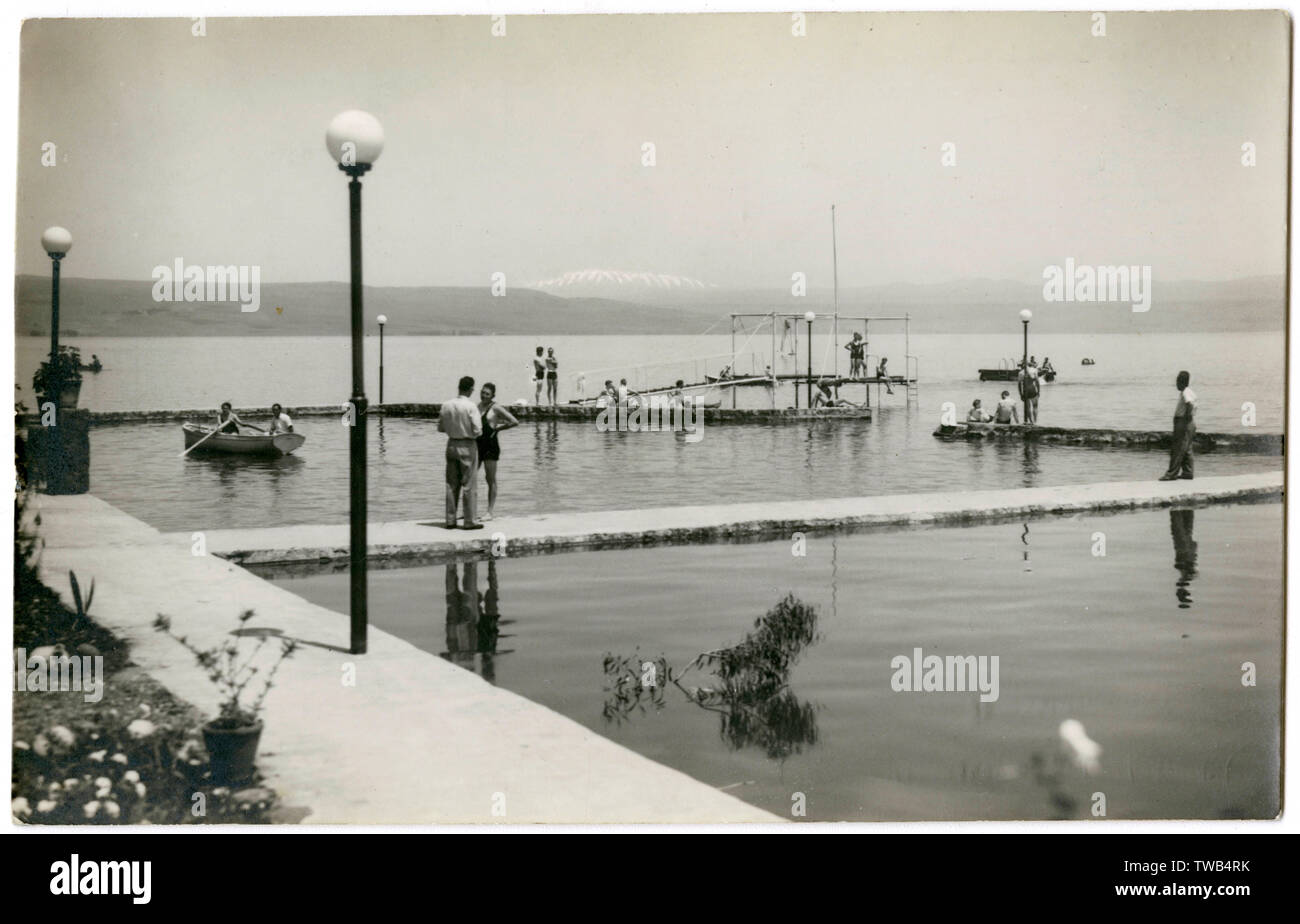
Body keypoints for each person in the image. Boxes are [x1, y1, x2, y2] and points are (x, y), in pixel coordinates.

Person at [438, 376, 483, 529]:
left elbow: (440, 428)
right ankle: (470, 521)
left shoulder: (446, 405)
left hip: (451, 444)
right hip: (467, 444)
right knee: (469, 484)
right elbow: (478, 431)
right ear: (470, 389)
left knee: (451, 484)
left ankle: (450, 520)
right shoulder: (471, 406)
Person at [475, 382, 519, 521]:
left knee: (490, 479)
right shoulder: (477, 407)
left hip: (490, 446)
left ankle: (489, 512)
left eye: (487, 393)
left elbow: (514, 421)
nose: (484, 395)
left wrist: (498, 429)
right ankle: (470, 510)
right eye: (482, 392)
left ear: (492, 395)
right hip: (477, 445)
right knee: (470, 478)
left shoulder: (496, 408)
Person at [1159, 370, 1196, 481]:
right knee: (1187, 448)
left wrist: (1186, 416)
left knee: (1178, 448)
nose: (1176, 384)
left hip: (1183, 422)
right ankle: (1188, 472)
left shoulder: (1185, 392)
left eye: (1177, 382)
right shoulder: (1190, 391)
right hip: (1189, 423)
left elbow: (1190, 404)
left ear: (1181, 382)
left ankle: (1171, 474)